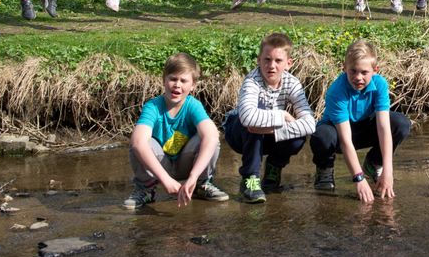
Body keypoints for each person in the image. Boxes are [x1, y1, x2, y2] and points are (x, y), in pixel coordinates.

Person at [309, 39, 411, 203]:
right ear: (344, 68)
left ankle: (373, 163)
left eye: (364, 72)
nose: (358, 77)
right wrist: (359, 178)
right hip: (338, 134)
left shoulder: (380, 85)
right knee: (322, 135)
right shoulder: (337, 91)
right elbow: (345, 140)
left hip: (364, 128)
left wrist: (388, 171)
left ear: (375, 70)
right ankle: (324, 169)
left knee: (400, 123)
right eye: (353, 71)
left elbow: (384, 128)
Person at [124, 52, 229, 209]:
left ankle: (201, 184)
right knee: (140, 142)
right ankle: (145, 189)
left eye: (183, 81)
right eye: (173, 79)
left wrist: (193, 177)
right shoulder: (153, 106)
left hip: (186, 164)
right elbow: (138, 142)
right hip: (161, 164)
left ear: (193, 85)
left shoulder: (193, 105)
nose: (177, 85)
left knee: (209, 138)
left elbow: (212, 136)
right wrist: (165, 179)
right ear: (164, 80)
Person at [222, 32, 316, 203]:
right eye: (267, 60)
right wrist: (283, 115)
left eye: (278, 61)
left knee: (298, 136)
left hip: (267, 132)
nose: (271, 66)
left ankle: (274, 167)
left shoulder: (292, 83)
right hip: (239, 132)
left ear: (288, 64)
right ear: (259, 60)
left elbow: (310, 124)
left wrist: (274, 130)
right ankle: (250, 179)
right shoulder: (252, 81)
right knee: (253, 125)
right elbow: (248, 118)